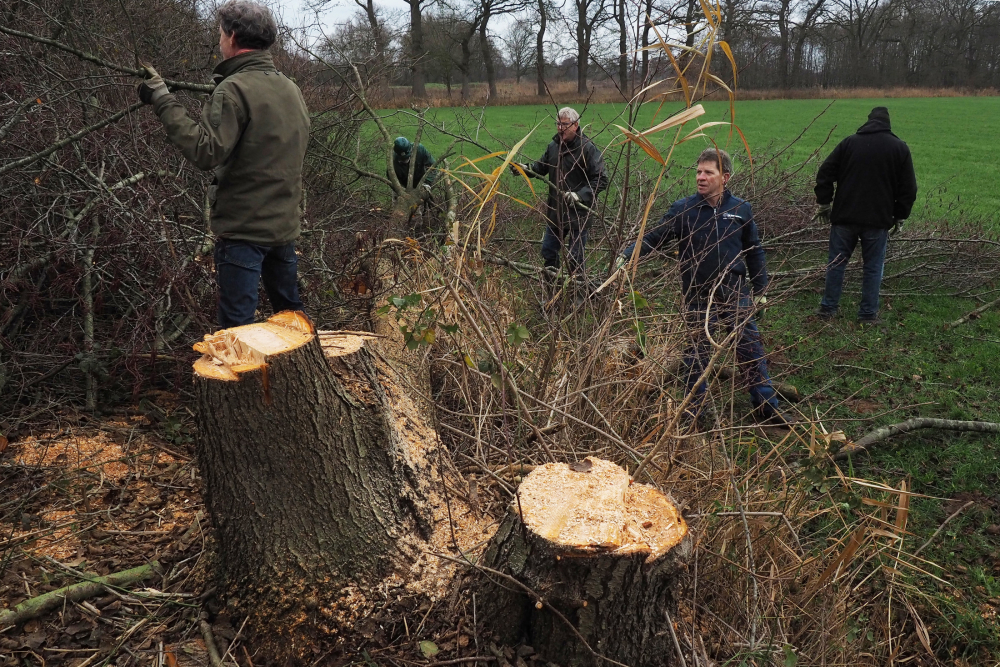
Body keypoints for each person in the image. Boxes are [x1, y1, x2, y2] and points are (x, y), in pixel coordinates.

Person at [137, 1, 310, 328]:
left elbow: (205, 152)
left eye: (220, 33)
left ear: (231, 37)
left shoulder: (232, 89)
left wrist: (161, 98)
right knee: (292, 320)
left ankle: (246, 380)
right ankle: (307, 376)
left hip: (244, 231)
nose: (219, 40)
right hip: (284, 229)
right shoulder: (290, 89)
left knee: (236, 332)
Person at [617, 148, 789, 427]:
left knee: (750, 348)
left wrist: (761, 291)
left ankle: (766, 406)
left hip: (734, 291)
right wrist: (627, 256)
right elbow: (653, 239)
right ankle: (694, 411)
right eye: (698, 171)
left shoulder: (740, 209)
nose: (701, 177)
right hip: (697, 293)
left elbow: (754, 251)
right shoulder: (683, 209)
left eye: (709, 172)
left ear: (725, 177)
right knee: (695, 354)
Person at [814, 106, 917, 324]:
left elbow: (825, 173)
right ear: (888, 124)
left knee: (836, 264)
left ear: (868, 121)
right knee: (872, 268)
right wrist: (900, 215)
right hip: (878, 221)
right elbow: (908, 189)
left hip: (844, 217)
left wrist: (824, 203)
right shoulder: (899, 148)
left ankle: (827, 309)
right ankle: (868, 315)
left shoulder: (849, 143)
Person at [511, 107, 609, 278]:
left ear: (576, 125)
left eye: (564, 124)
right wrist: (524, 169)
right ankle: (553, 292)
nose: (560, 128)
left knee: (574, 259)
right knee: (548, 252)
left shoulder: (588, 149)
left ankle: (577, 295)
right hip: (556, 212)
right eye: (558, 123)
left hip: (579, 214)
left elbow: (601, 179)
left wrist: (579, 195)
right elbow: (540, 168)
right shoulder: (553, 146)